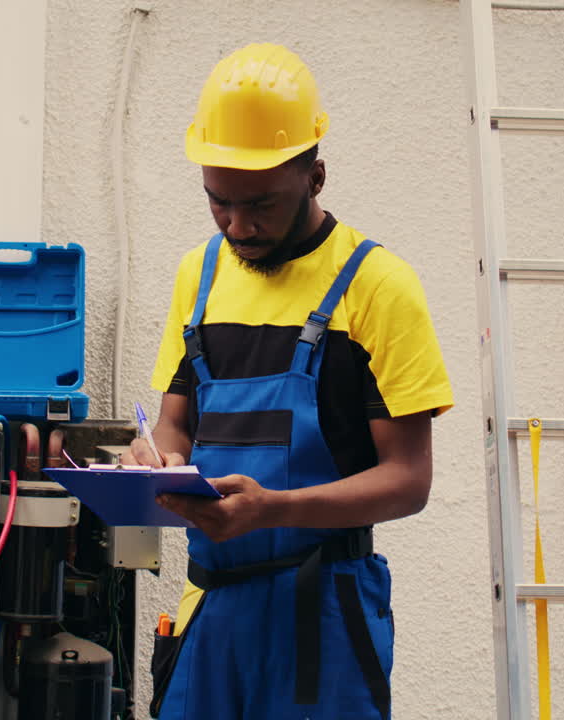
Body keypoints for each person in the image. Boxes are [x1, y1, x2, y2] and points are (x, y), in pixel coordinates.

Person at [127, 43, 454, 720]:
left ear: (316, 175)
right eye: (218, 203)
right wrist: (159, 461)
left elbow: (408, 479)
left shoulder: (379, 288)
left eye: (262, 205)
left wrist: (274, 508)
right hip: (211, 610)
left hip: (325, 616)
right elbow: (176, 421)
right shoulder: (199, 275)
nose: (238, 226)